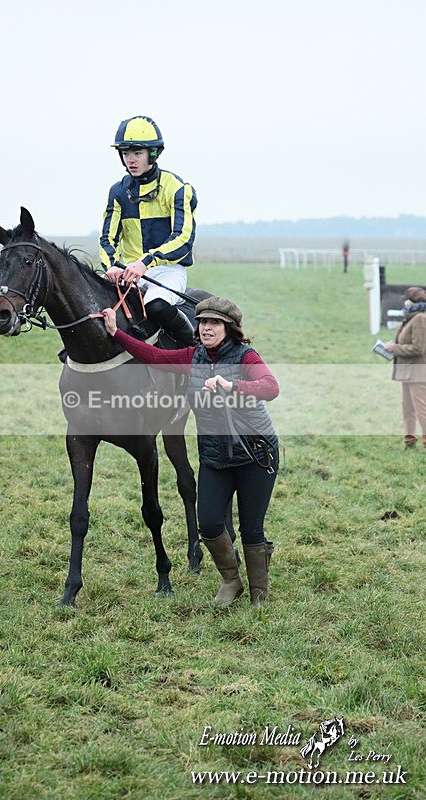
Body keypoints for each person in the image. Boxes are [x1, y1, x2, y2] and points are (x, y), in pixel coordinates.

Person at [102, 296, 280, 607]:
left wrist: (232, 386)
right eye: (203, 322)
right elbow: (155, 356)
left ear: (229, 328)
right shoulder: (192, 357)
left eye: (214, 323)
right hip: (215, 455)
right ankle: (231, 580)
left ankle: (259, 595)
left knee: (251, 528)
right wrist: (117, 333)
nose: (206, 328)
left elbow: (270, 387)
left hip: (255, 453)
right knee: (209, 524)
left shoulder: (245, 357)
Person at [99, 115, 197, 346]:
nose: (130, 159)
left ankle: (195, 351)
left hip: (167, 271)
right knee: (90, 303)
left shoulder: (178, 188)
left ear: (153, 154)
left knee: (156, 305)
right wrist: (112, 265)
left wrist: (145, 262)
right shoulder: (118, 192)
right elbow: (107, 238)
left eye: (137, 153)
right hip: (128, 273)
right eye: (125, 153)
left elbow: (183, 239)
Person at [384, 286, 426, 449]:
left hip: (419, 372)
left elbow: (418, 348)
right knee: (407, 409)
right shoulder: (411, 318)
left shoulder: (420, 319)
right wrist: (392, 346)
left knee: (422, 410)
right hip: (408, 372)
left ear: (410, 301)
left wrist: (394, 348)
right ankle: (409, 442)